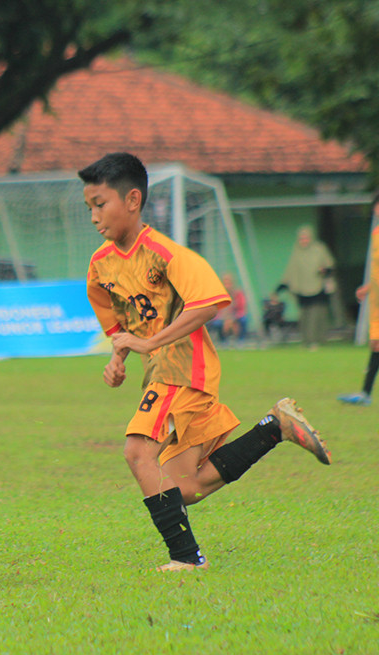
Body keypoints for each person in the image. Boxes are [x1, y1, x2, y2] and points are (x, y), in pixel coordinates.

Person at [80, 152, 331, 572]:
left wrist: (151, 343)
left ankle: (186, 558)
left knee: (137, 453)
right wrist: (118, 358)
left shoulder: (165, 252)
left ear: (132, 200)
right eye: (88, 206)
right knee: (186, 485)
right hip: (160, 373)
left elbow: (210, 303)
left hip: (182, 367)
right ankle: (275, 428)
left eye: (100, 204)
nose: (93, 217)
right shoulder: (100, 265)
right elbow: (122, 325)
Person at [338, 194, 379, 406]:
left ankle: (365, 393)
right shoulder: (376, 234)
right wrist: (368, 288)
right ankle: (365, 393)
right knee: (376, 345)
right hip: (376, 301)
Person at [275, 225, 336, 350]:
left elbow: (329, 265)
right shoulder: (296, 252)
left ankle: (317, 340)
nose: (304, 241)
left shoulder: (319, 249)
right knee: (304, 316)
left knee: (316, 315)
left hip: (318, 288)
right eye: (301, 238)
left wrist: (323, 270)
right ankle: (306, 341)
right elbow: (290, 271)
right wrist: (280, 287)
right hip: (301, 289)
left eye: (306, 238)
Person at [207, 273, 247, 345]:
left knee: (243, 320)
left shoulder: (238, 294)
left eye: (229, 283)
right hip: (222, 318)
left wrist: (233, 319)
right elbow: (216, 310)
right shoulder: (218, 294)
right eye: (225, 283)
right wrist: (225, 320)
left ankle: (241, 341)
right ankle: (223, 341)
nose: (227, 285)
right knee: (217, 323)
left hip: (235, 317)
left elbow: (242, 309)